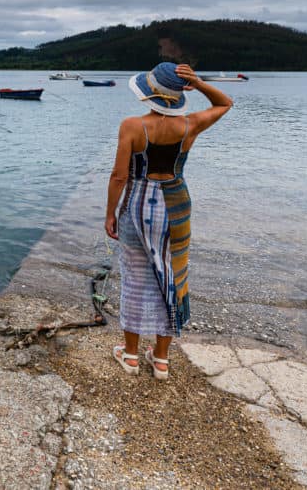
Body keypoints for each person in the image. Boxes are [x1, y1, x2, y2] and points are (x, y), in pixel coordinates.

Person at [105, 62, 233, 379]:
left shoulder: (132, 126)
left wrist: (111, 213)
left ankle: (131, 355)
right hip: (176, 202)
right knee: (173, 276)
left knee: (135, 278)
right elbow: (225, 103)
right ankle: (161, 359)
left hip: (137, 203)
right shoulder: (190, 125)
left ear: (149, 94)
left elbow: (120, 175)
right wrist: (199, 84)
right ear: (176, 96)